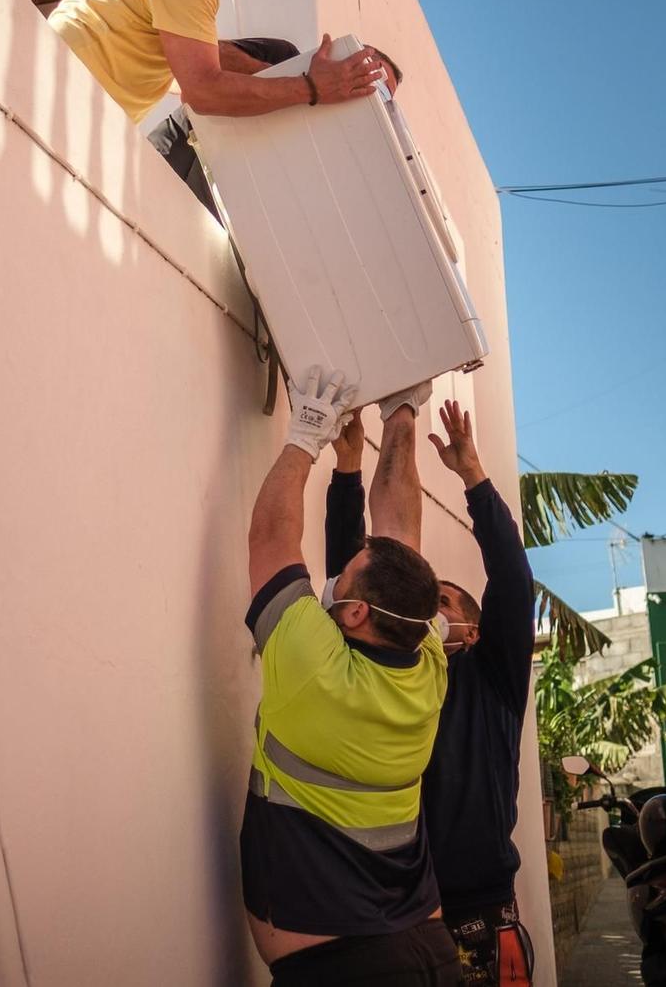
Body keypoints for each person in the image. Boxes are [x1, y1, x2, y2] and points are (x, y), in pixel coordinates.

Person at [241, 367, 459, 986]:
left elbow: (271, 537)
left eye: (345, 575)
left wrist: (305, 435)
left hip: (348, 970)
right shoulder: (427, 661)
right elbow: (401, 533)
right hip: (427, 950)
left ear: (357, 612)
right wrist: (402, 412)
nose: (330, 579)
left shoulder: (316, 667)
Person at [328, 398, 535, 986]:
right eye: (425, 604)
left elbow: (514, 579)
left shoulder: (492, 679)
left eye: (442, 602)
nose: (429, 613)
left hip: (483, 912)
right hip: (397, 917)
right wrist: (346, 470)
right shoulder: (389, 668)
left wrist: (473, 476)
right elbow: (351, 581)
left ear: (472, 631)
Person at [48, 0, 383, 209]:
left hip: (65, 110)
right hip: (52, 105)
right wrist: (310, 88)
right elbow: (204, 91)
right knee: (275, 57)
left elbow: (194, 65)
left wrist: (286, 82)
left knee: (274, 61)